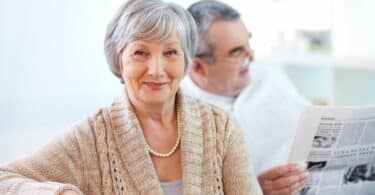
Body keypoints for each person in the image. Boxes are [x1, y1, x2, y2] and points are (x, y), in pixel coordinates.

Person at [0, 0, 262, 194]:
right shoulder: (90, 138)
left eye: (170, 52)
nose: (157, 70)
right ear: (119, 59)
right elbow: (5, 179)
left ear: (186, 60)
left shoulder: (221, 127)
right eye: (140, 53)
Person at [181, 0, 309, 194]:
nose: (251, 57)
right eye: (236, 52)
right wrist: (252, 190)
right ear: (198, 67)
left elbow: (312, 121)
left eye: (248, 44)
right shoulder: (176, 109)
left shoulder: (270, 77)